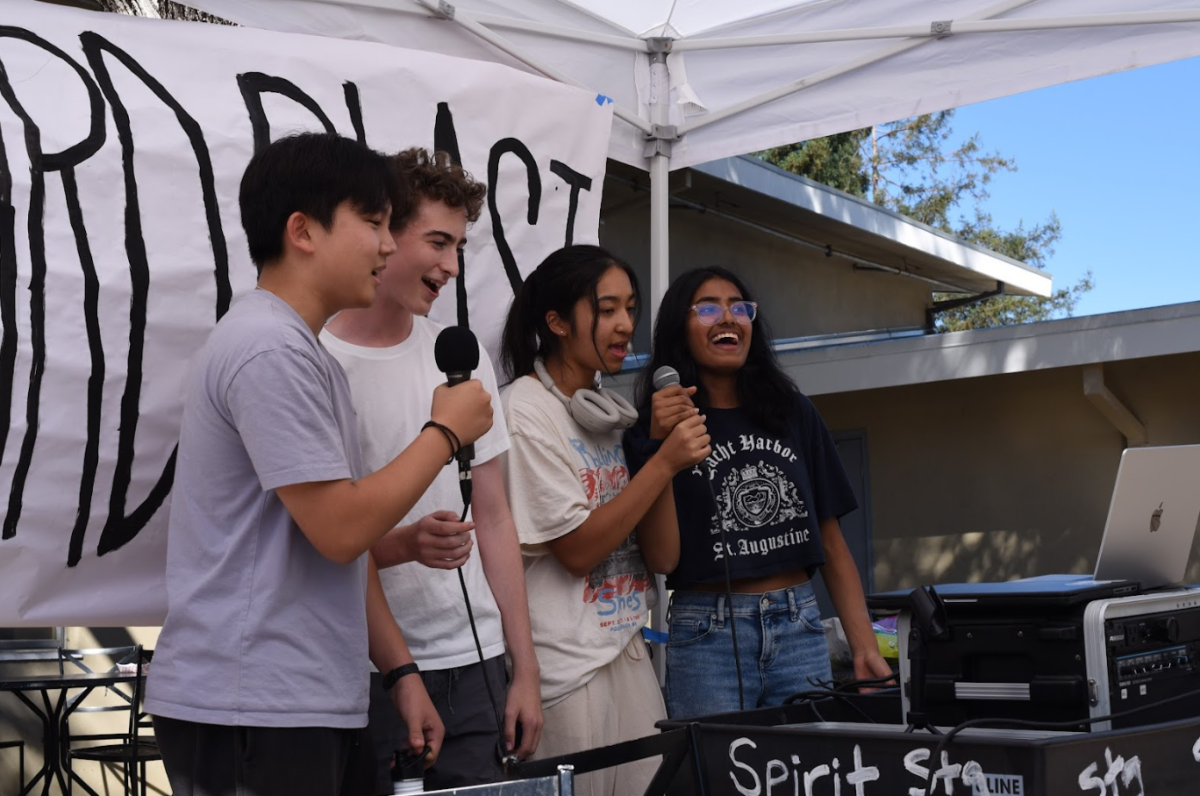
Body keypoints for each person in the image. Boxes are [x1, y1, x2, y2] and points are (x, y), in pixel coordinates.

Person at [146, 133, 493, 796]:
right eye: (373, 224)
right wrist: (444, 432)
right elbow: (338, 528)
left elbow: (332, 544)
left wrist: (399, 672)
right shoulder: (269, 349)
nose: (388, 246)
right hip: (252, 702)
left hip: (295, 699)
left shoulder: (300, 353)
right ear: (302, 231)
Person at [322, 148, 543, 792]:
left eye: (460, 247)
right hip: (367, 673)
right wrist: (403, 546)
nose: (450, 266)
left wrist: (524, 669)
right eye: (438, 242)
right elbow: (327, 534)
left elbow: (495, 515)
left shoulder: (461, 358)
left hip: (477, 665)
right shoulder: (314, 360)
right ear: (384, 234)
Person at [626, 266, 893, 719]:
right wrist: (661, 448)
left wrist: (863, 644)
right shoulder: (652, 430)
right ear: (679, 328)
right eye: (708, 308)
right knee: (718, 775)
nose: (728, 318)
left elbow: (831, 542)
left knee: (807, 775)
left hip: (799, 623)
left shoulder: (792, 412)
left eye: (740, 307)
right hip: (706, 632)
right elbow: (663, 560)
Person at [497, 245, 710, 796]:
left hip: (627, 653)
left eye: (631, 309)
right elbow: (576, 551)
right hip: (568, 675)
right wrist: (662, 460)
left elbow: (662, 557)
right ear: (558, 322)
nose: (625, 326)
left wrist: (658, 453)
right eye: (608, 309)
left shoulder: (602, 410)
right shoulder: (525, 410)